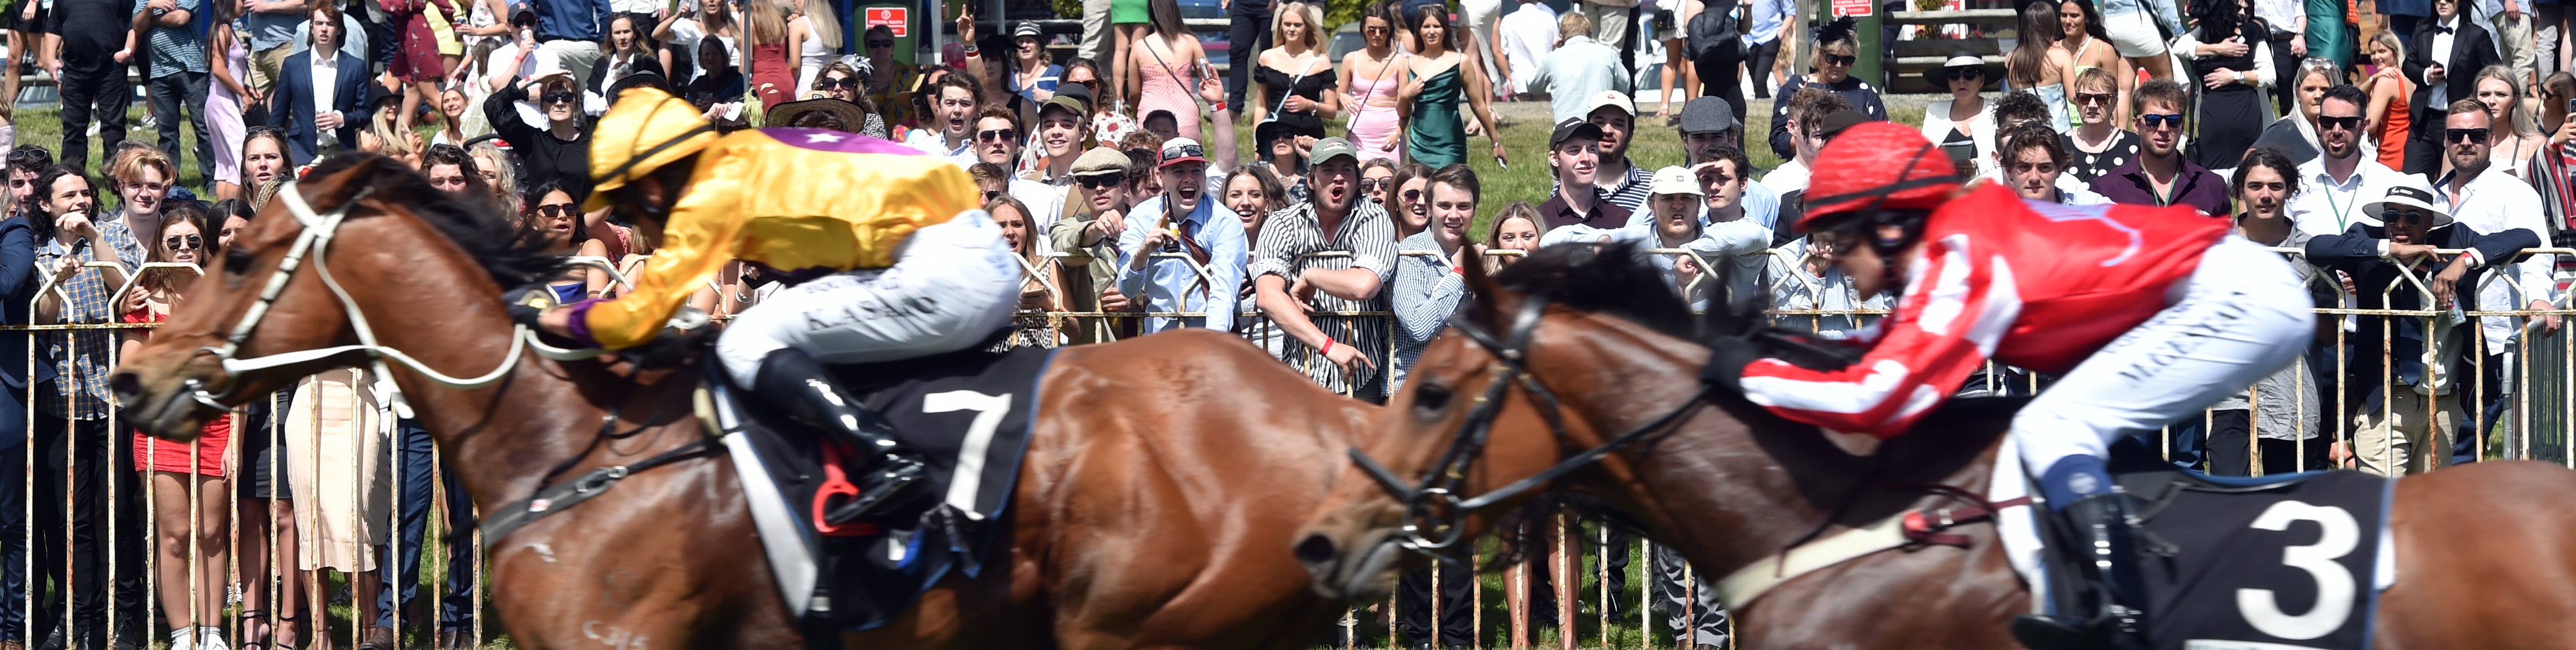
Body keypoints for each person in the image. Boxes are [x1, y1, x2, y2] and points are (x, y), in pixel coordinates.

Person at [1711, 122, 2315, 650]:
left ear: (1890, 225)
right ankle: (2078, 599)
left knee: (2049, 424)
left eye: (1843, 239)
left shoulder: (1962, 258)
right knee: (2027, 441)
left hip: (2238, 296)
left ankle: (2117, 618)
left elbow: (1877, 399)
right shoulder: (1954, 242)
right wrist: (1771, 352)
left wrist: (1747, 377)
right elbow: (1886, 343)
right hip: (2221, 288)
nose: (1835, 257)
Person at [519, 86, 1018, 525]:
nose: (638, 220)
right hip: (971, 246)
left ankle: (889, 459)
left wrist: (546, 316)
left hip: (944, 267)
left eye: (629, 204)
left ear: (652, 184)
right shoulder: (747, 150)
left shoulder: (708, 197)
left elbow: (639, 315)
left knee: (746, 340)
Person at [2305, 183, 2530, 476]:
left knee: (2427, 505)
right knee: (2381, 501)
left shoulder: (2455, 239)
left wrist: (2464, 261)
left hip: (2444, 400)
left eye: (2412, 218)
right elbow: (2316, 248)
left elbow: (2526, 238)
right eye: (2391, 216)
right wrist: (2391, 249)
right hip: (2385, 399)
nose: (2400, 224)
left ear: (2429, 222)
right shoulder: (2368, 239)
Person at [29, 165, 150, 650]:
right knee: (69, 517)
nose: (78, 201)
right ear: (46, 204)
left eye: (84, 193)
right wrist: (56, 281)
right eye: (67, 195)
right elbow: (42, 320)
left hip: (112, 403)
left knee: (118, 512)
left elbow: (125, 293)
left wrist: (93, 235)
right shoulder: (38, 256)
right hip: (62, 406)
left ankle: (125, 618)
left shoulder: (108, 244)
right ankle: (79, 614)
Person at [121, 201, 230, 650]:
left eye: (193, 241)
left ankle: (213, 633)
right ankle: (183, 634)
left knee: (211, 534)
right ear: (159, 247)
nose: (184, 249)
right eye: (174, 242)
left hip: (215, 425)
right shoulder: (141, 298)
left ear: (204, 246)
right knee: (173, 534)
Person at [2429, 98, 2559, 466]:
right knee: (2447, 432)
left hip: (2496, 335)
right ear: (2445, 140)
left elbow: (2535, 251)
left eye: (2477, 134)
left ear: (2491, 138)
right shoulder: (2431, 195)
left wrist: (2539, 301)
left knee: (2468, 438)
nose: (2466, 141)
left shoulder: (2514, 192)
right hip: (2444, 338)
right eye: (2457, 135)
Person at [2209, 147, 2328, 476]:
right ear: (2239, 191)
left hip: (2292, 393)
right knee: (2229, 497)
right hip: (2229, 394)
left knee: (2285, 503)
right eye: (2255, 186)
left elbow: (2329, 335)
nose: (2265, 195)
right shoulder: (2214, 247)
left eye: (2275, 186)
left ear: (2290, 190)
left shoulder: (2309, 252)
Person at [1249, 137, 1396, 398]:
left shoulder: (1373, 217)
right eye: (1328, 170)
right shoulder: (1282, 224)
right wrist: (1328, 346)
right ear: (1311, 179)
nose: (1338, 178)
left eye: (1347, 170)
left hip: (1361, 375)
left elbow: (1365, 285)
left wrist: (1311, 276)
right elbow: (1268, 297)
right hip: (1300, 373)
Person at [1116, 137, 1247, 334]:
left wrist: (1213, 345)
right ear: (1161, 178)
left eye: (1196, 171)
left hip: (1213, 338)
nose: (1189, 179)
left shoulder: (1225, 221)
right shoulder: (1139, 219)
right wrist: (1142, 255)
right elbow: (1128, 289)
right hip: (1161, 343)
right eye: (1179, 172)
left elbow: (1224, 289)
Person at [2090, 79, 2232, 214]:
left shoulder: (2212, 187)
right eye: (2153, 120)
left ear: (2182, 126)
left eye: (2173, 121)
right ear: (2136, 126)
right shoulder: (2107, 191)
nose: (2163, 129)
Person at [1049, 147, 1147, 341]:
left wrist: (1141, 299)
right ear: (1081, 189)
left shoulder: (1149, 224)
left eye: (1109, 180)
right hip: (1096, 349)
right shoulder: (1064, 227)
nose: (1100, 188)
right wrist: (1095, 229)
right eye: (1091, 182)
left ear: (1126, 185)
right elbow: (1064, 246)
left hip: (1149, 344)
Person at [2290, 84, 2414, 237]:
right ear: (2319, 124)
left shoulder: (2390, 184)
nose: (2336, 130)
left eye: (2347, 123)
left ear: (2364, 126)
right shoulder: (2297, 181)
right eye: (2329, 122)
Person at [1395, 6, 1504, 170]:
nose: (1431, 32)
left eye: (1437, 26)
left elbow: (1478, 104)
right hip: (1420, 144)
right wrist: (1406, 94)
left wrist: (1495, 141)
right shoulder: (1408, 63)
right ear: (1419, 30)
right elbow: (1402, 112)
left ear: (1445, 29)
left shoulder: (1461, 61)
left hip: (1451, 143)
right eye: (1426, 27)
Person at [1764, 16, 1886, 161]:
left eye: (1846, 60)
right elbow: (1779, 140)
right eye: (1832, 58)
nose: (1839, 65)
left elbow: (1885, 136)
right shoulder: (1794, 89)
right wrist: (1817, 144)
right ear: (1820, 55)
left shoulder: (1865, 93)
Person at [2173, 0, 2275, 170]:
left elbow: (2269, 77)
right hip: (2213, 118)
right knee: (2215, 177)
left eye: (2247, 9)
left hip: (2246, 114)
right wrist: (2219, 49)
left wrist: (2235, 76)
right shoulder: (2206, 34)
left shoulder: (2252, 34)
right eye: (2238, 8)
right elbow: (2180, 48)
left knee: (2249, 172)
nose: (2242, 13)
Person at [2404, 0, 2500, 175]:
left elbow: (2495, 72)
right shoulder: (2422, 29)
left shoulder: (2476, 35)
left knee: (2455, 181)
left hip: (2459, 123)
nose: (2442, 2)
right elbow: (2408, 65)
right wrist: (2427, 75)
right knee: (2411, 179)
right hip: (2423, 122)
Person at [271, 2, 370, 165]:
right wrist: (273, 148)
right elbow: (278, 115)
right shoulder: (293, 65)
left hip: (341, 152)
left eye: (330, 24)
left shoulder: (355, 66)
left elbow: (365, 112)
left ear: (339, 30)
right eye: (319, 23)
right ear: (311, 28)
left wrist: (342, 119)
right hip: (302, 153)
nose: (324, 29)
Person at [133, 0, 216, 187]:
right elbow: (137, 26)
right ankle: (171, 181)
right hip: (159, 72)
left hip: (193, 69)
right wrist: (149, 7)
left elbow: (180, 18)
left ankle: (212, 180)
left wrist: (151, 20)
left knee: (203, 128)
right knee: (167, 132)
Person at [486, 70, 595, 201]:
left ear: (577, 104)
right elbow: (493, 106)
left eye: (567, 97)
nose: (559, 103)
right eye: (551, 98)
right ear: (543, 106)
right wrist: (533, 79)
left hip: (587, 220)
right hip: (543, 219)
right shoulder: (532, 142)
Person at [52, 0, 133, 173]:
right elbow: (54, 27)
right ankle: (71, 176)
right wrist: (51, 60)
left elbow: (134, 22)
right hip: (74, 68)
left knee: (114, 127)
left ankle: (116, 179)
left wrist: (127, 51)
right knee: (73, 128)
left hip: (111, 67)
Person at [1253, 2, 1338, 162]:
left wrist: (1309, 105)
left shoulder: (1320, 61)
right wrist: (1256, 141)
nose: (1292, 29)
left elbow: (1332, 110)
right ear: (1281, 26)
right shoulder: (1267, 58)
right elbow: (1261, 106)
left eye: (1298, 25)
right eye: (1287, 24)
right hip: (1275, 135)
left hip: (1309, 136)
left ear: (1307, 27)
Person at [1535, 118, 1634, 246]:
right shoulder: (1539, 221)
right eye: (1575, 150)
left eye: (1592, 149)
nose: (1586, 158)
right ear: (1555, 159)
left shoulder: (1623, 221)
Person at [1128, 0, 1209, 142]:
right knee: (1188, 161)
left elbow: (1134, 93)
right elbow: (1208, 77)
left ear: (1151, 15)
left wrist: (1137, 115)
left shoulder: (1140, 47)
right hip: (1187, 118)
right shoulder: (1191, 42)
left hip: (1150, 119)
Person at [1531, 12, 1627, 123]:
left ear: (1561, 36)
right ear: (1590, 35)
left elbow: (1533, 87)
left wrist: (1552, 52)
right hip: (1598, 130)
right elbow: (1625, 87)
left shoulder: (1553, 58)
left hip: (1565, 133)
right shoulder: (1609, 54)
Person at [1346, 2, 1409, 161]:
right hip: (1359, 136)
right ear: (1364, 29)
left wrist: (1398, 134)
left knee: (1391, 182)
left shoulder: (1399, 61)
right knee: (1359, 181)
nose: (1377, 34)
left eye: (1383, 30)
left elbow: (1406, 108)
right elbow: (1337, 100)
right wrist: (1342, 97)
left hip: (1390, 136)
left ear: (1390, 32)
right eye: (1372, 30)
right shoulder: (1351, 59)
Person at [1921, 54, 2000, 178]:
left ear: (1982, 80)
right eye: (1954, 75)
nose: (1961, 80)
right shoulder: (1934, 112)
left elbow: (2007, 160)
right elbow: (1922, 160)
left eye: (1969, 75)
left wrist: (1977, 167)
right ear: (1948, 82)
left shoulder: (1996, 111)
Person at [2252, 58, 2341, 164]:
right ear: (2298, 93)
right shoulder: (2285, 130)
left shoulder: (2348, 128)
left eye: (2325, 89)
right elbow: (2249, 159)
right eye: (2310, 89)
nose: (2318, 96)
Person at [2059, 67, 2140, 183]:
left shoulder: (2135, 146)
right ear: (2077, 102)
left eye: (2101, 99)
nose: (2092, 105)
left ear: (2114, 103)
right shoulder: (2059, 145)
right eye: (2085, 98)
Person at [2003, 123, 2114, 204]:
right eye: (2025, 167)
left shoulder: (2091, 207)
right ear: (2009, 171)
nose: (2034, 178)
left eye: (2044, 167)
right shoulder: (1991, 221)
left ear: (2060, 169)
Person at [2469, 65, 2548, 180]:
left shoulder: (2535, 144)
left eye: (2501, 94)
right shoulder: (2462, 142)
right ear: (2476, 97)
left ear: (2515, 99)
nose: (2492, 101)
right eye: (2485, 94)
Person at [2007, 2, 2075, 130]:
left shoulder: (2011, 59)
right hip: (2057, 132)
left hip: (2025, 133)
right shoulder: (2062, 56)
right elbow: (2074, 97)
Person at [904, 74, 983, 168]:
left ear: (978, 108)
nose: (957, 110)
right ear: (939, 107)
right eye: (950, 103)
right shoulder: (921, 150)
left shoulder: (984, 153)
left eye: (965, 104)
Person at [2366, 31, 2416, 171]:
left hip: (2390, 154)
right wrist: (2374, 78)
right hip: (2409, 153)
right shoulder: (2408, 77)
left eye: (2382, 51)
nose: (2377, 57)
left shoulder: (2386, 81)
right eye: (2373, 53)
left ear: (2395, 52)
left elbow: (2370, 125)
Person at [1495, 0, 1555, 99]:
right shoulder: (1549, 18)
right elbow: (1554, 47)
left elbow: (1504, 52)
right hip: (1545, 82)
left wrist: (1509, 80)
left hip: (1519, 82)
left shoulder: (1508, 21)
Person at [1005, 22, 1063, 107]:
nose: (1024, 45)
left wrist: (1052, 98)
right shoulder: (1008, 78)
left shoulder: (1057, 72)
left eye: (1029, 41)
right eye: (1021, 42)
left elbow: (1073, 104)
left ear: (1040, 47)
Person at [789, 0, 839, 98]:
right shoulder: (831, 24)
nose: (793, 1)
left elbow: (794, 66)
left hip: (805, 85)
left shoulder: (798, 24)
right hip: (828, 84)